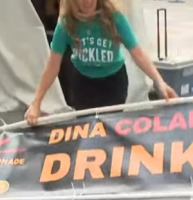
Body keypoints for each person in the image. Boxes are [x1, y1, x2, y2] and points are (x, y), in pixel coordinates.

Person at [25, 0, 177, 125]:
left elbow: (137, 53)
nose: (87, 1)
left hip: (113, 83)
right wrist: (36, 103)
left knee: (110, 129)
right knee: (87, 129)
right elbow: (52, 65)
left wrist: (159, 82)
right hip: (83, 84)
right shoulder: (66, 23)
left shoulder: (114, 18)